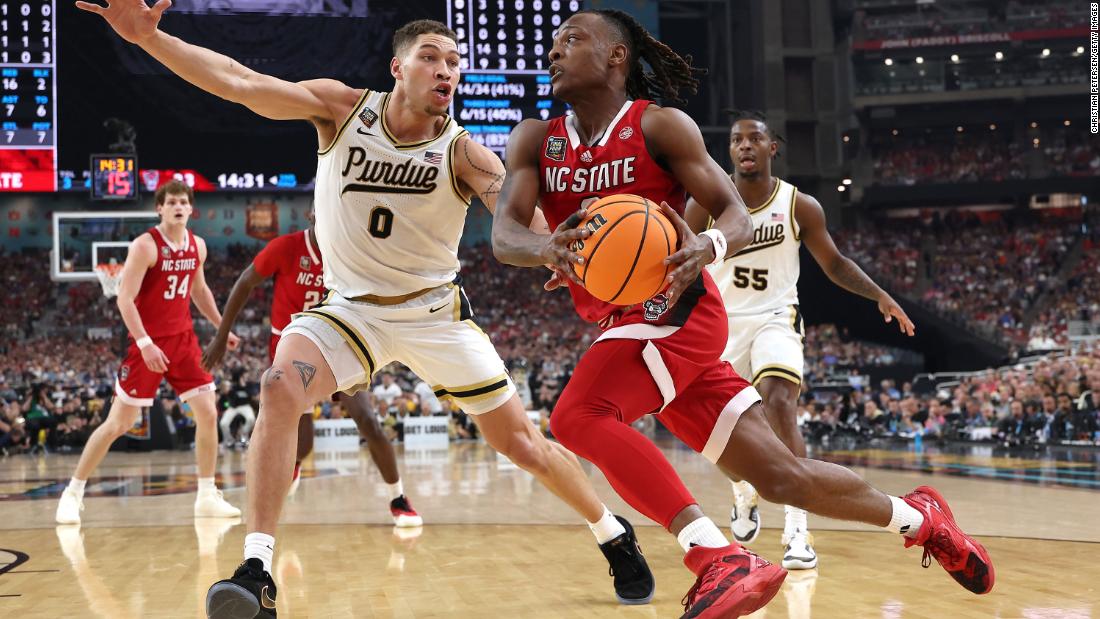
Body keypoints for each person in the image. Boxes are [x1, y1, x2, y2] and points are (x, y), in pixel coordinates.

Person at [75, 4, 653, 616]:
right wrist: (149, 38)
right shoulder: (342, 109)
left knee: (522, 444)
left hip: (433, 315)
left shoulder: (466, 155)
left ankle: (612, 533)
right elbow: (239, 81)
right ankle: (256, 570)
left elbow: (517, 221)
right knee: (277, 386)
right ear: (397, 67)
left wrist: (554, 247)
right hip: (349, 313)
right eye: (432, 57)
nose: (446, 70)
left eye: (455, 62)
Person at [492, 9, 993, 617]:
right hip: (629, 328)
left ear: (615, 57)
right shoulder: (533, 140)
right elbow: (504, 236)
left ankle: (715, 556)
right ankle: (920, 519)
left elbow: (733, 213)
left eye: (571, 40)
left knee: (578, 415)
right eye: (553, 43)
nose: (554, 51)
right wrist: (544, 247)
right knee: (784, 477)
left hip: (678, 311)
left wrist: (709, 244)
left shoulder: (660, 126)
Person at [683, 110, 916, 570]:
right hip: (721, 325)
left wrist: (880, 295)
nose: (745, 145)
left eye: (755, 139)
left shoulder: (798, 205)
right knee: (729, 442)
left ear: (773, 148)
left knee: (780, 402)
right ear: (728, 151)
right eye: (736, 140)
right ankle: (742, 490)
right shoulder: (704, 203)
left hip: (776, 317)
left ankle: (797, 530)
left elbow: (834, 263)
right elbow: (682, 263)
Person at [201, 221, 422, 525]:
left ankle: (398, 497)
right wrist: (221, 335)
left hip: (339, 342)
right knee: (301, 436)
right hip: (294, 344)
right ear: (314, 214)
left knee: (367, 419)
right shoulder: (286, 247)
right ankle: (292, 465)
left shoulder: (348, 250)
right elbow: (245, 281)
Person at [55, 179, 241, 525]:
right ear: (159, 208)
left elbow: (199, 291)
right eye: (171, 202)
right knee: (119, 423)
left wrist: (221, 327)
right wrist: (145, 343)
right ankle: (73, 492)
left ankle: (205, 495)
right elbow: (125, 299)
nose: (178, 207)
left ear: (190, 208)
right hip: (147, 343)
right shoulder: (145, 246)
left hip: (183, 340)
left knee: (208, 412)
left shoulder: (198, 246)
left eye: (183, 202)